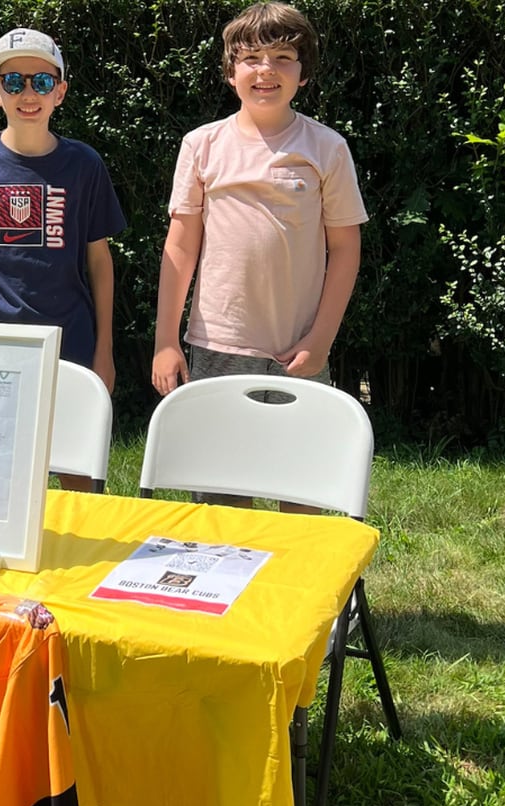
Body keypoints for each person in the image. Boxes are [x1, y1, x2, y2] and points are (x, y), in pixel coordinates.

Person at [151, 1, 367, 512]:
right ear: (230, 72)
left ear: (303, 74)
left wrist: (320, 340)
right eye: (250, 57)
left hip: (298, 351)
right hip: (217, 346)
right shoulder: (201, 145)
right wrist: (165, 340)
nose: (265, 70)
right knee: (219, 496)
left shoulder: (327, 148)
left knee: (304, 493)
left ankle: (302, 590)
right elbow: (180, 246)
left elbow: (346, 250)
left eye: (282, 57)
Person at [0, 27, 126, 493]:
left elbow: (100, 261)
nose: (28, 93)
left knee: (81, 480)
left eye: (41, 81)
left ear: (61, 91)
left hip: (71, 344)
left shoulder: (85, 165)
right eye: (14, 82)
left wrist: (105, 350)